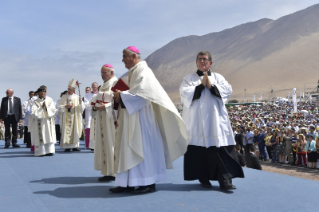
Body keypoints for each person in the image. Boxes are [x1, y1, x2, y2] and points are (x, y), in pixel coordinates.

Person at [110, 46, 188, 194]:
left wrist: (121, 95)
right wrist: (120, 95)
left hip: (142, 119)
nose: (122, 60)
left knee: (142, 148)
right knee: (128, 148)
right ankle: (128, 182)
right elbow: (135, 92)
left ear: (133, 56)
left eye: (124, 56)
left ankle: (148, 182)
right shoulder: (134, 71)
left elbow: (143, 94)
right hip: (132, 117)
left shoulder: (144, 71)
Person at [179, 51, 244, 190]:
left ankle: (225, 180)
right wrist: (200, 86)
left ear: (210, 63)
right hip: (198, 123)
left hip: (216, 122)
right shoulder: (188, 78)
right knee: (200, 152)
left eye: (205, 59)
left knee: (221, 150)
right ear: (196, 62)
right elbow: (184, 94)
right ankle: (203, 178)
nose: (202, 61)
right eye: (200, 59)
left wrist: (211, 86)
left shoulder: (218, 77)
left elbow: (227, 90)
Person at [91, 64, 118, 181]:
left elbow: (120, 101)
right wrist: (94, 106)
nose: (102, 75)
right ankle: (107, 171)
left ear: (111, 73)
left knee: (112, 144)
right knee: (104, 144)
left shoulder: (116, 83)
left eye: (104, 73)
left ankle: (115, 172)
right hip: (103, 119)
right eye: (101, 72)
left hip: (112, 120)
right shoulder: (103, 86)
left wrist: (106, 106)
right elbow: (95, 99)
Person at [58, 79, 85, 152]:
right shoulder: (64, 97)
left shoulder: (77, 97)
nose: (68, 90)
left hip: (75, 117)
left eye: (70, 89)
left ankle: (75, 146)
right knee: (66, 130)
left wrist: (80, 102)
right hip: (66, 117)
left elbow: (82, 108)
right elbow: (58, 106)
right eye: (68, 89)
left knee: (75, 130)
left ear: (73, 90)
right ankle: (67, 147)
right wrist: (65, 106)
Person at [29, 87, 56, 156]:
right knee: (41, 136)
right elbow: (33, 112)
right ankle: (41, 152)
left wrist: (46, 107)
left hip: (48, 121)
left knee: (49, 135)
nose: (43, 93)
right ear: (38, 93)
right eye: (41, 92)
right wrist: (41, 108)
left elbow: (53, 110)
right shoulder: (35, 101)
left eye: (44, 92)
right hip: (39, 122)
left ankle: (50, 151)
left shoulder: (50, 100)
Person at [83, 82, 98, 149]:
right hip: (89, 113)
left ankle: (96, 145)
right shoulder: (87, 94)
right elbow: (85, 103)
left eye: (95, 87)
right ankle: (88, 144)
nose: (94, 88)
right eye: (93, 87)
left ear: (97, 87)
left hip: (97, 113)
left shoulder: (99, 94)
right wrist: (92, 106)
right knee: (88, 127)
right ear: (92, 87)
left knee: (96, 128)